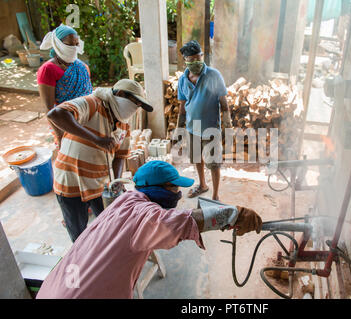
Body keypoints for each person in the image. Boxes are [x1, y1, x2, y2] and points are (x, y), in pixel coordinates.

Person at [36, 160, 262, 299]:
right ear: (156, 189)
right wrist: (234, 214)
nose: (178, 193)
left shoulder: (126, 201)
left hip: (56, 288)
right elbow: (177, 222)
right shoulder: (142, 216)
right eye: (174, 187)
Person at [46, 79, 154, 242]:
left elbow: (120, 155)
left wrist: (117, 180)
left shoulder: (123, 124)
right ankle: (83, 260)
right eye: (135, 103)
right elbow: (56, 114)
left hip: (98, 183)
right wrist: (96, 139)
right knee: (78, 231)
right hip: (70, 181)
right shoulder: (92, 103)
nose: (135, 108)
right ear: (121, 94)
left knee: (107, 223)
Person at [176, 40, 233, 201]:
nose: (196, 62)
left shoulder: (214, 75)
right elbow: (182, 106)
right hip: (191, 127)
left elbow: (224, 102)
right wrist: (179, 129)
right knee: (196, 159)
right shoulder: (182, 80)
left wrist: (227, 124)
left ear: (202, 56)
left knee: (214, 163)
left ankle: (215, 195)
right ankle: (202, 185)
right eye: (191, 60)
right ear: (185, 61)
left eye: (198, 58)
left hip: (210, 127)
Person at [38, 24, 93, 150]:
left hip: (88, 121)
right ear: (57, 44)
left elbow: (90, 94)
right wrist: (59, 135)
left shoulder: (82, 67)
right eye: (69, 44)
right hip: (66, 124)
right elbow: (49, 109)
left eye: (76, 44)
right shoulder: (48, 70)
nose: (73, 48)